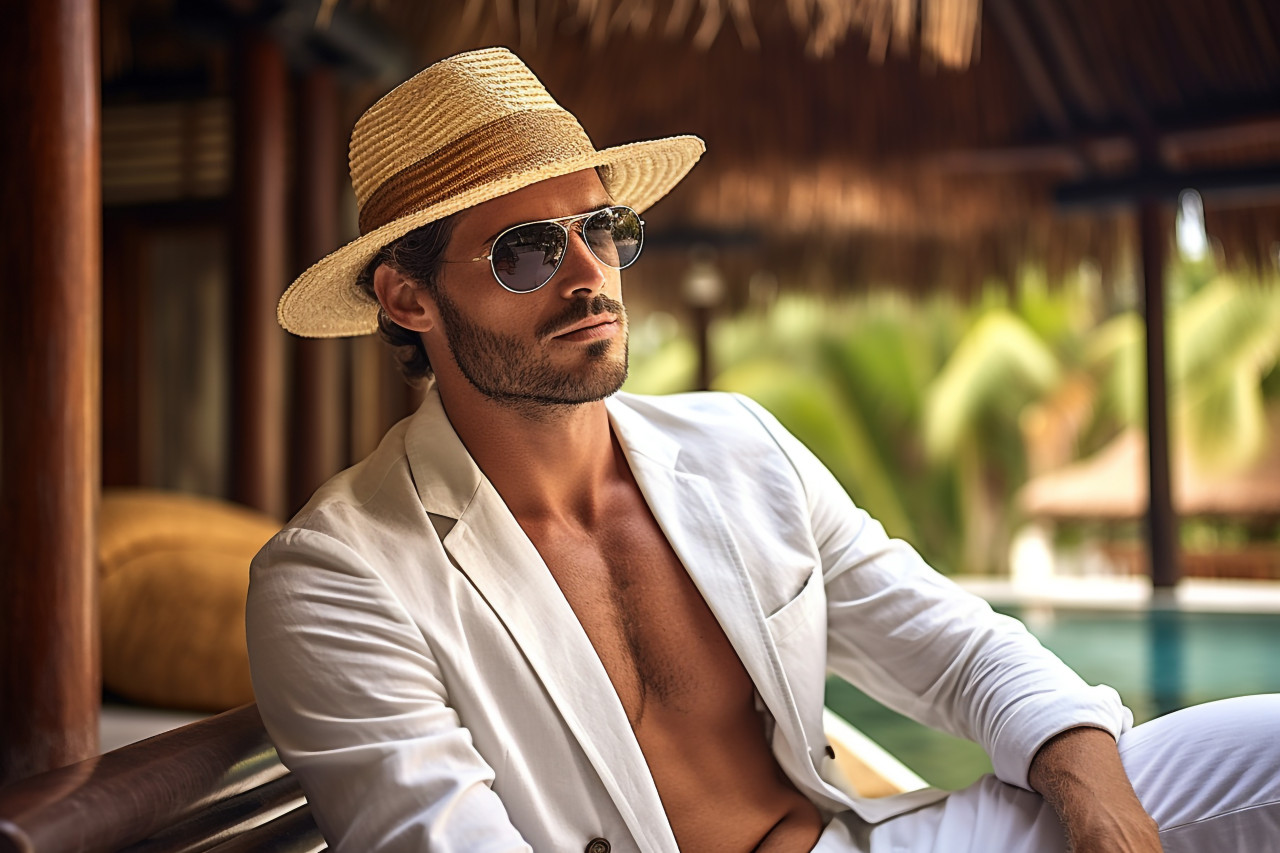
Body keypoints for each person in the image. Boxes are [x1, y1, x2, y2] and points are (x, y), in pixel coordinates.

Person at [246, 47, 1280, 853]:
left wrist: (1104, 809)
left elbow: (960, 649)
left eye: (600, 228)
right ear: (407, 296)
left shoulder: (735, 447)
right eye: (525, 250)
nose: (587, 278)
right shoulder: (340, 576)